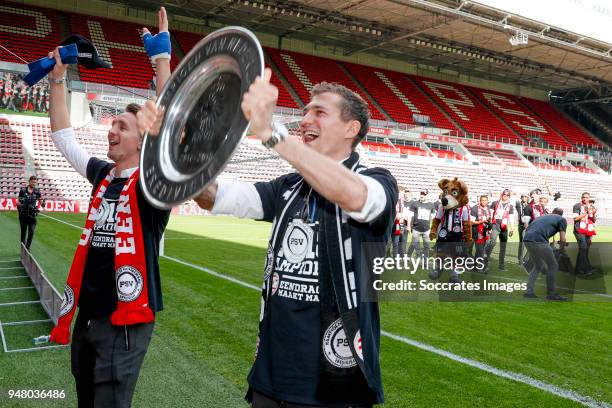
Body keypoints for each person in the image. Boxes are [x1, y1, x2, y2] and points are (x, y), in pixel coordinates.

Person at [140, 68, 398, 404]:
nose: (305, 119)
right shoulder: (288, 187)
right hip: (271, 375)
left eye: (319, 112)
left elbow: (355, 197)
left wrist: (272, 134)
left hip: (333, 380)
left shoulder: (378, 180)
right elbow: (211, 196)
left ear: (352, 129)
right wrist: (173, 144)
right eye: (305, 111)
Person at [46, 8, 172, 407]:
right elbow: (64, 138)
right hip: (87, 314)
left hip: (126, 321)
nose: (111, 130)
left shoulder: (153, 185)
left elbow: (167, 132)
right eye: (111, 123)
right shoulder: (103, 174)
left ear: (142, 141)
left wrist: (161, 60)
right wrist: (58, 80)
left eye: (122, 126)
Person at [523, 208, 568, 301]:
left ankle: (529, 292)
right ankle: (551, 294)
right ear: (561, 214)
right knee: (553, 265)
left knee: (538, 265)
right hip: (539, 241)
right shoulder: (562, 220)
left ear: (553, 212)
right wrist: (562, 250)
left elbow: (528, 228)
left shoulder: (542, 217)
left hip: (527, 239)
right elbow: (563, 239)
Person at [486, 189, 514, 271]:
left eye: (507, 195)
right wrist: (490, 226)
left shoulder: (510, 206)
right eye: (504, 194)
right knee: (492, 243)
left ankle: (501, 266)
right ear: (502, 194)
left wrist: (512, 228)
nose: (505, 196)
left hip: (504, 227)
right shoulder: (495, 203)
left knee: (503, 247)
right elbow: (490, 215)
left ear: (509, 196)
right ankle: (485, 261)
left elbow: (511, 217)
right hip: (495, 225)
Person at [572, 192, 596, 276]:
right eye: (584, 197)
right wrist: (586, 212)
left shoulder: (591, 206)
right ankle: (586, 269)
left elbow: (593, 220)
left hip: (588, 231)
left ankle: (578, 270)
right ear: (581, 198)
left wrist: (594, 213)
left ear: (589, 198)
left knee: (584, 250)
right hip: (579, 230)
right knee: (583, 248)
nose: (585, 199)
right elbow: (575, 218)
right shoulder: (577, 206)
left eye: (587, 197)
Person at [406, 189, 435, 259]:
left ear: (427, 195)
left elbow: (433, 217)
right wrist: (408, 226)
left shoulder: (431, 205)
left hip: (426, 229)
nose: (422, 195)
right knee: (413, 244)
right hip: (416, 228)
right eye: (421, 194)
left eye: (424, 194)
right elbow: (409, 215)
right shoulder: (415, 203)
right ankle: (408, 257)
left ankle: (425, 260)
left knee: (427, 246)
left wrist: (433, 228)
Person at [17, 175, 44, 250]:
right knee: (23, 233)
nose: (34, 184)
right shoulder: (23, 190)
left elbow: (41, 202)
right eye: (32, 182)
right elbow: (18, 202)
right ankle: (23, 250)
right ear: (29, 181)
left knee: (31, 232)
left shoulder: (37, 191)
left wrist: (43, 204)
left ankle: (27, 248)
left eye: (35, 182)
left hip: (32, 215)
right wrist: (20, 204)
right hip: (23, 215)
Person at [470, 195, 491, 267]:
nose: (483, 201)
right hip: (476, 232)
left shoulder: (488, 209)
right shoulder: (474, 209)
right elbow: (471, 222)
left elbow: (489, 221)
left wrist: (490, 228)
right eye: (482, 200)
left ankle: (475, 266)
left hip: (485, 233)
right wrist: (482, 221)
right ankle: (482, 267)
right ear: (480, 201)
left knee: (480, 250)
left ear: (487, 201)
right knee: (481, 250)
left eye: (485, 200)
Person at [515, 192, 532, 264]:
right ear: (521, 197)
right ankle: (521, 260)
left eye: (525, 196)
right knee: (522, 243)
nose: (524, 197)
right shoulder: (518, 204)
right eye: (522, 196)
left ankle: (526, 258)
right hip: (522, 226)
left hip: (530, 226)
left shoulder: (530, 205)